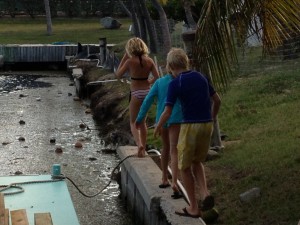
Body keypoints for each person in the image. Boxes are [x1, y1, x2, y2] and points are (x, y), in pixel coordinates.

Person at [154, 48, 221, 218]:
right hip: (207, 125)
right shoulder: (201, 76)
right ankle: (205, 193)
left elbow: (167, 111)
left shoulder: (175, 83)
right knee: (197, 162)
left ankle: (193, 207)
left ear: (170, 66)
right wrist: (212, 117)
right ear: (186, 62)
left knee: (184, 167)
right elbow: (217, 100)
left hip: (190, 127)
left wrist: (158, 126)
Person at [135, 71, 182, 198]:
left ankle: (164, 178)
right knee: (175, 149)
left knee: (166, 147)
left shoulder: (160, 82)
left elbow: (148, 100)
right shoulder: (181, 80)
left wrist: (139, 118)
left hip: (162, 119)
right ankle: (175, 181)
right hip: (177, 118)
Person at [115, 37, 159, 157]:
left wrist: (124, 58)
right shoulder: (149, 60)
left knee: (133, 122)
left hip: (136, 93)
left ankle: (139, 144)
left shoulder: (130, 61)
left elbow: (118, 74)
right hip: (147, 92)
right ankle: (143, 149)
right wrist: (149, 82)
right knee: (143, 121)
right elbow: (157, 76)